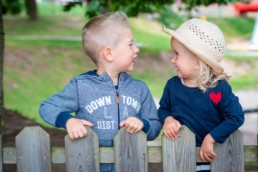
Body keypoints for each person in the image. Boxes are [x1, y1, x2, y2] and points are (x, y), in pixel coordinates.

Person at [39, 12, 161, 172]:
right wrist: (68, 121)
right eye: (131, 44)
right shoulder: (81, 86)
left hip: (131, 164)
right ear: (109, 53)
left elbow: (155, 126)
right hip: (88, 164)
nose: (136, 49)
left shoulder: (139, 89)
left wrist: (143, 124)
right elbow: (47, 107)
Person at [158, 18, 244, 172]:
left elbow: (236, 116)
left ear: (197, 62)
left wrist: (211, 138)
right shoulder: (172, 86)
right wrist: (168, 119)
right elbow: (163, 109)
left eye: (177, 54)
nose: (172, 60)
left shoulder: (220, 89)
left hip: (213, 160)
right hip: (179, 157)